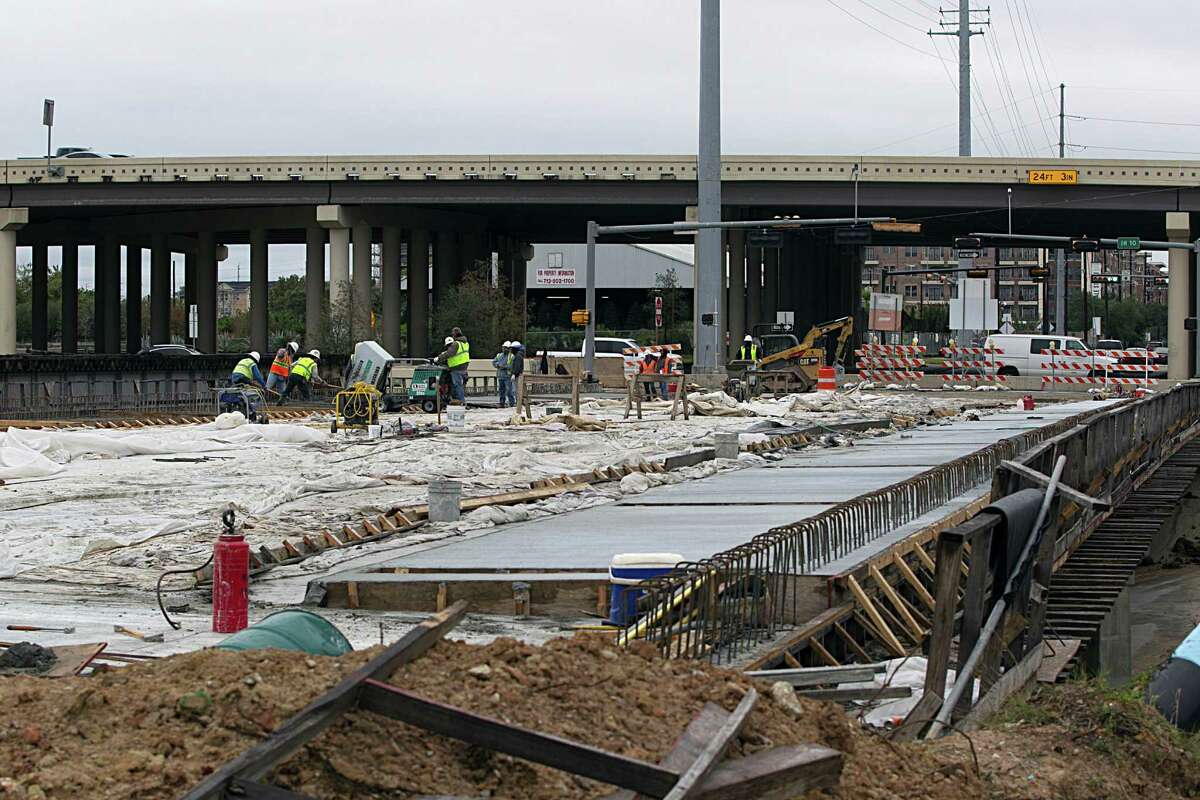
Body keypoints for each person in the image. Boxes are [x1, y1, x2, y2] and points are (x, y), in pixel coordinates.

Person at [435, 328, 470, 403]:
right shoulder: (465, 343)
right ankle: (456, 400)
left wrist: (439, 358)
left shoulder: (456, 344)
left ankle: (461, 401)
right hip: (464, 367)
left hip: (456, 367)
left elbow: (449, 353)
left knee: (457, 385)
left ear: (454, 335)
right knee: (457, 385)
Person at [493, 341, 512, 408]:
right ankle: (502, 403)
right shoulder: (499, 355)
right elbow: (494, 362)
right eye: (503, 347)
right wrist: (498, 365)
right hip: (500, 376)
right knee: (501, 391)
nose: (504, 349)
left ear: (509, 349)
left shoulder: (511, 356)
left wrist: (504, 367)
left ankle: (512, 403)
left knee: (509, 391)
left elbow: (512, 366)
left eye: (505, 348)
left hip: (507, 376)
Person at [508, 340, 524, 406]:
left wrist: (514, 374)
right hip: (518, 375)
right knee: (517, 390)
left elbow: (517, 366)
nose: (511, 350)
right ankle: (518, 403)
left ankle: (518, 403)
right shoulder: (518, 355)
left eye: (512, 348)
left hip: (517, 376)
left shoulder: (518, 356)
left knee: (517, 390)